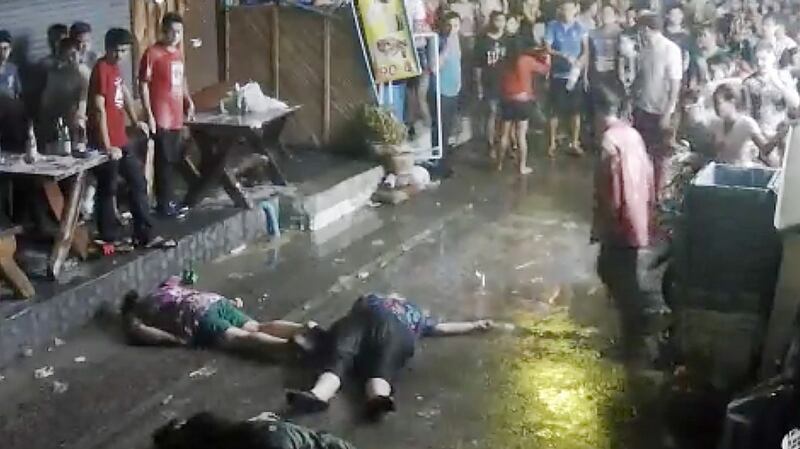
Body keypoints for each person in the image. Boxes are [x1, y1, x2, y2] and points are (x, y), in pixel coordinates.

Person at [285, 293, 496, 418]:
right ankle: (377, 397)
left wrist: (319, 336)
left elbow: (349, 316)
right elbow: (441, 328)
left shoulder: (373, 298)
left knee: (338, 360)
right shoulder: (417, 316)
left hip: (363, 320)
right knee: (381, 367)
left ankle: (320, 394)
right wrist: (474, 325)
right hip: (398, 332)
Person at [591, 85, 668, 365]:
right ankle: (636, 330)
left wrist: (607, 224)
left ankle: (634, 342)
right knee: (618, 274)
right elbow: (649, 173)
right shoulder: (633, 135)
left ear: (598, 113)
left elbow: (610, 190)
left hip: (620, 222)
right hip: (637, 217)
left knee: (620, 279)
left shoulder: (608, 143)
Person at [89, 28, 174, 249]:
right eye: (116, 50)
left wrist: (136, 120)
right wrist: (107, 146)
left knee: (138, 181)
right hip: (104, 141)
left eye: (124, 51)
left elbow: (124, 93)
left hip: (121, 137)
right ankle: (109, 237)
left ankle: (144, 234)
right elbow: (99, 110)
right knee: (108, 188)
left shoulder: (115, 68)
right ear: (107, 48)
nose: (120, 55)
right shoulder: (100, 69)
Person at [121, 276, 311, 355]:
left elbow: (143, 331)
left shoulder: (140, 313)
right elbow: (180, 278)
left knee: (243, 338)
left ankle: (288, 348)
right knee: (257, 327)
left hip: (195, 316)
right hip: (213, 301)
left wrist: (176, 340)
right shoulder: (166, 288)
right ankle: (306, 330)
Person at [140, 13, 195, 218]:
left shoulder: (178, 53)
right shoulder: (152, 53)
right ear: (163, 31)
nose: (175, 36)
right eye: (172, 31)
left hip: (176, 115)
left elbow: (182, 81)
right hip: (160, 115)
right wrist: (149, 114)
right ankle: (163, 204)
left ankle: (169, 200)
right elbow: (143, 84)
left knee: (174, 159)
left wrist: (188, 101)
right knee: (163, 161)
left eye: (179, 32)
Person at [631, 12, 683, 197]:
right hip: (643, 108)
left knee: (661, 157)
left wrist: (668, 112)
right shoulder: (645, 50)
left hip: (661, 111)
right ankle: (646, 191)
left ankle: (659, 195)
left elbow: (675, 84)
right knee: (643, 152)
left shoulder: (671, 50)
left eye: (640, 29)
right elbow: (641, 77)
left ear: (645, 29)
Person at [153, 411, 358, 449]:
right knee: (318, 441)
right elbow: (237, 427)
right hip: (270, 430)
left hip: (266, 438)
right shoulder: (203, 420)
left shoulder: (196, 441)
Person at [742, 42, 800, 166]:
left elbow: (796, 104)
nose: (759, 63)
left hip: (782, 131)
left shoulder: (783, 76)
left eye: (763, 59)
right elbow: (747, 112)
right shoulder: (749, 82)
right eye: (757, 59)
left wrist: (778, 84)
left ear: (773, 57)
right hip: (760, 133)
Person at [496, 46, 550, 174]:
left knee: (504, 134)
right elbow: (544, 70)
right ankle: (522, 166)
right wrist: (547, 58)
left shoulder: (504, 61)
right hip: (523, 100)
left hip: (507, 99)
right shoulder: (526, 60)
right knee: (521, 136)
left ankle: (499, 164)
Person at [544, 0, 588, 157]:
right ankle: (551, 143)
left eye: (570, 9)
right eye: (564, 9)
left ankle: (574, 142)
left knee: (575, 111)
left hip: (575, 75)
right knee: (554, 111)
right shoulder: (552, 26)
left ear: (575, 9)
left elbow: (585, 50)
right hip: (557, 74)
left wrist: (580, 63)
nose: (567, 12)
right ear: (560, 10)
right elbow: (547, 48)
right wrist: (562, 55)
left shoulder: (580, 27)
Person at [40, 37, 89, 152]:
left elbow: (85, 96)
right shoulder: (55, 74)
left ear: (79, 53)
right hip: (57, 119)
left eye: (73, 54)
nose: (72, 59)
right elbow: (47, 99)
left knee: (78, 121)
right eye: (68, 56)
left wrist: (80, 113)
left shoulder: (83, 72)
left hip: (78, 118)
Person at [429, 11, 462, 156]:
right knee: (440, 127)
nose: (453, 29)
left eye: (456, 25)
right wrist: (446, 49)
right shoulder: (437, 40)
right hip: (440, 90)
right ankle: (437, 158)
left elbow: (457, 63)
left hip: (453, 89)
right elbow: (434, 67)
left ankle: (445, 159)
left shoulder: (456, 40)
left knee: (448, 127)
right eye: (450, 25)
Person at [474, 11, 507, 155]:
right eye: (497, 20)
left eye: (502, 20)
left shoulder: (508, 39)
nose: (499, 23)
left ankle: (504, 143)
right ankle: (491, 144)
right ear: (491, 21)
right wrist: (479, 86)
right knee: (492, 113)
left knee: (505, 115)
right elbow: (477, 66)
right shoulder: (483, 41)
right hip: (489, 82)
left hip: (507, 82)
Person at [0, 30, 21, 100]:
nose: (2, 52)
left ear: (10, 49)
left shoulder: (13, 69)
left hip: (10, 107)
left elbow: (18, 93)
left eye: (5, 49)